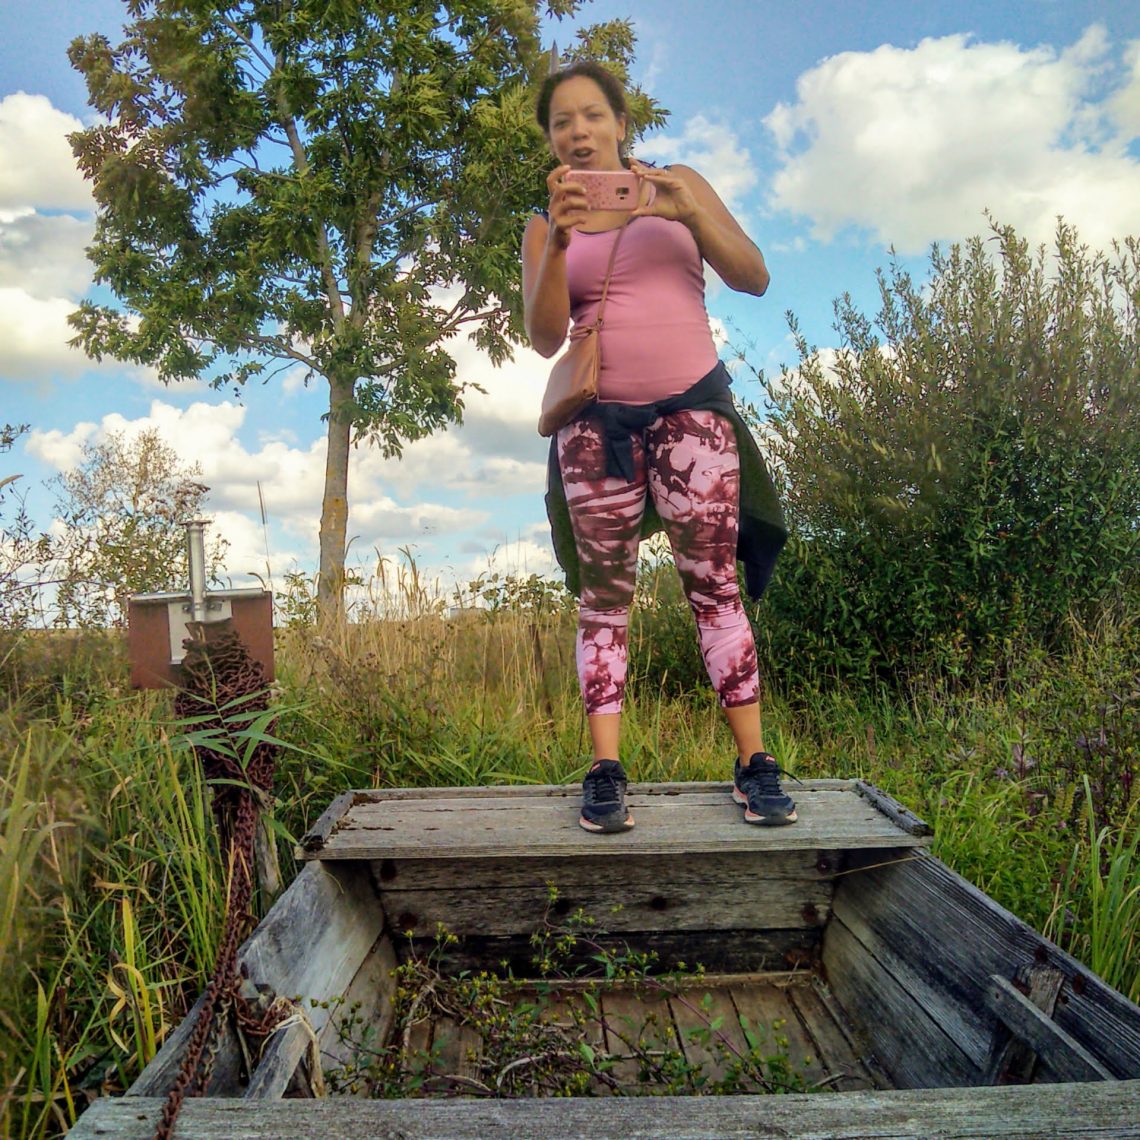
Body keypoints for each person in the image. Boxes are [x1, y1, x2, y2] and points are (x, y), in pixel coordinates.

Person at [523, 62, 794, 834]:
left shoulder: (679, 183)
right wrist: (558, 243)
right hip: (595, 431)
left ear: (619, 122)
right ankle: (606, 772)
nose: (578, 132)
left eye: (592, 116)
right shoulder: (545, 223)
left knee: (714, 589)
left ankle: (754, 764)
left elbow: (754, 276)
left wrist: (686, 210)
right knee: (603, 603)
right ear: (551, 139)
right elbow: (545, 337)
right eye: (561, 123)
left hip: (694, 418)